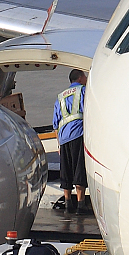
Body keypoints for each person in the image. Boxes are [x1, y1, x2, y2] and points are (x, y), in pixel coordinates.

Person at [51, 69, 89, 215]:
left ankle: (68, 204)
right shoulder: (84, 91)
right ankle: (80, 204)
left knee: (66, 170)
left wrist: (59, 143)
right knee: (79, 169)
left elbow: (55, 123)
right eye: (85, 76)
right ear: (80, 78)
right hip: (78, 133)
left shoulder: (60, 96)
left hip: (63, 137)